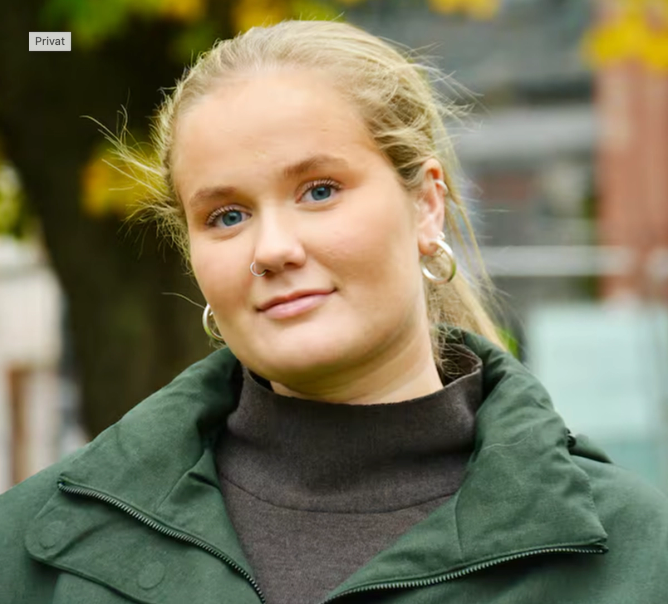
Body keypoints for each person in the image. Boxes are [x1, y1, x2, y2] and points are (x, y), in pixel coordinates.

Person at [1, 19, 667, 604]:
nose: (272, 249)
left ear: (426, 205)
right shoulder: (29, 549)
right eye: (226, 216)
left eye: (319, 191)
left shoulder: (638, 554)